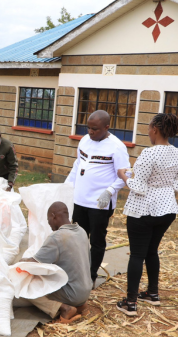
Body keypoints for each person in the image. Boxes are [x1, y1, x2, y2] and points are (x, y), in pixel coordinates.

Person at [115, 114, 178, 316]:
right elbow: (177, 182)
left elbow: (139, 186)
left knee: (137, 254)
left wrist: (123, 176)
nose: (147, 131)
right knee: (151, 251)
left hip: (145, 209)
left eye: (148, 128)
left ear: (155, 129)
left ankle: (130, 303)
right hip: (167, 209)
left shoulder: (149, 153)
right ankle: (152, 293)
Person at [65, 110, 130, 286]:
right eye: (88, 128)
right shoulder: (85, 140)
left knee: (97, 241)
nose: (90, 132)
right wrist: (67, 185)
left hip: (99, 203)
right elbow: (78, 164)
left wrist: (109, 191)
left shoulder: (116, 147)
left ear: (106, 127)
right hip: (80, 200)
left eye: (95, 129)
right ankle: (77, 272)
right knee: (78, 238)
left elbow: (125, 174)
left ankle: (91, 276)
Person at [20, 202, 92, 323]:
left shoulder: (57, 237)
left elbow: (33, 264)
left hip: (72, 294)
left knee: (28, 285)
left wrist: (18, 263)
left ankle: (64, 308)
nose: (50, 225)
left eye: (49, 221)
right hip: (86, 291)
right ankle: (81, 306)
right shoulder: (82, 231)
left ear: (53, 216)